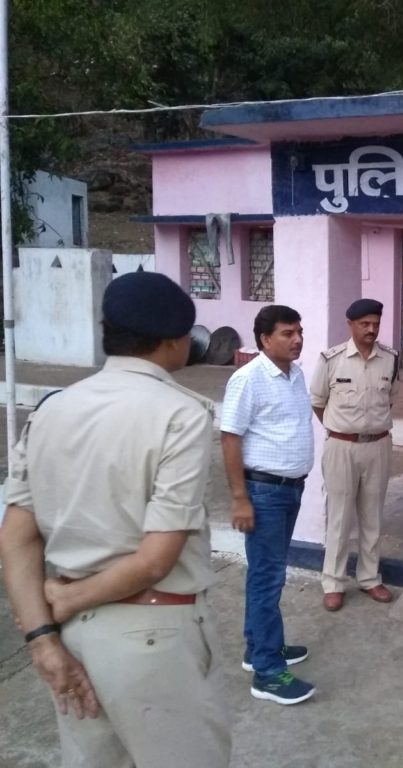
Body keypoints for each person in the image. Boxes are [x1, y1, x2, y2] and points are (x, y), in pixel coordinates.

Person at [0, 272, 231, 767]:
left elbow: (16, 538)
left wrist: (42, 638)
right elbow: (155, 560)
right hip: (152, 636)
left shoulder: (51, 409)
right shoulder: (180, 415)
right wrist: (69, 599)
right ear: (175, 342)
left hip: (72, 635)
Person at [221, 305, 316, 705]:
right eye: (287, 333)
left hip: (290, 489)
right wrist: (240, 498)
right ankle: (268, 672)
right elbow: (230, 437)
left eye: (299, 332)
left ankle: (258, 646)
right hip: (264, 493)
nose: (297, 339)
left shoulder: (295, 375)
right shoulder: (248, 379)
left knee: (264, 574)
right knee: (268, 578)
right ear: (264, 339)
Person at [310, 298, 399, 611]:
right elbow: (318, 402)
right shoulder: (331, 359)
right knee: (339, 516)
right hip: (342, 446)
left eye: (375, 323)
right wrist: (342, 429)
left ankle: (370, 578)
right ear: (350, 324)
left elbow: (390, 399)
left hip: (378, 446)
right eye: (364, 324)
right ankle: (333, 583)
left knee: (372, 515)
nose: (371, 329)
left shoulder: (390, 359)